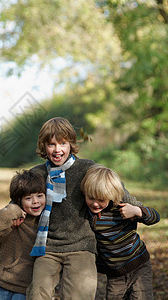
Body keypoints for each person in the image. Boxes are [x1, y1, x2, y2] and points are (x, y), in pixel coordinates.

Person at [27, 117, 144, 300]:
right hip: (47, 247)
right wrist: (12, 213)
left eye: (63, 143)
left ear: (71, 144)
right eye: (51, 144)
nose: (57, 150)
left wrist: (137, 207)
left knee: (80, 294)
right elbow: (20, 197)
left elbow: (113, 185)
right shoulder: (37, 173)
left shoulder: (86, 168)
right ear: (43, 147)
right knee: (37, 293)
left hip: (81, 245)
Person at [81, 164, 160, 299]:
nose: (95, 204)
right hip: (114, 274)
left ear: (110, 196)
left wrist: (137, 211)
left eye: (101, 200)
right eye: (91, 198)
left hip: (138, 266)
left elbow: (155, 217)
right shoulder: (88, 215)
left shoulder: (122, 209)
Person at [0, 169, 46, 299]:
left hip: (24, 288)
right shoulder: (12, 219)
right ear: (19, 201)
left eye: (40, 196)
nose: (35, 201)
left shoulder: (46, 221)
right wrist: (13, 209)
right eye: (28, 198)